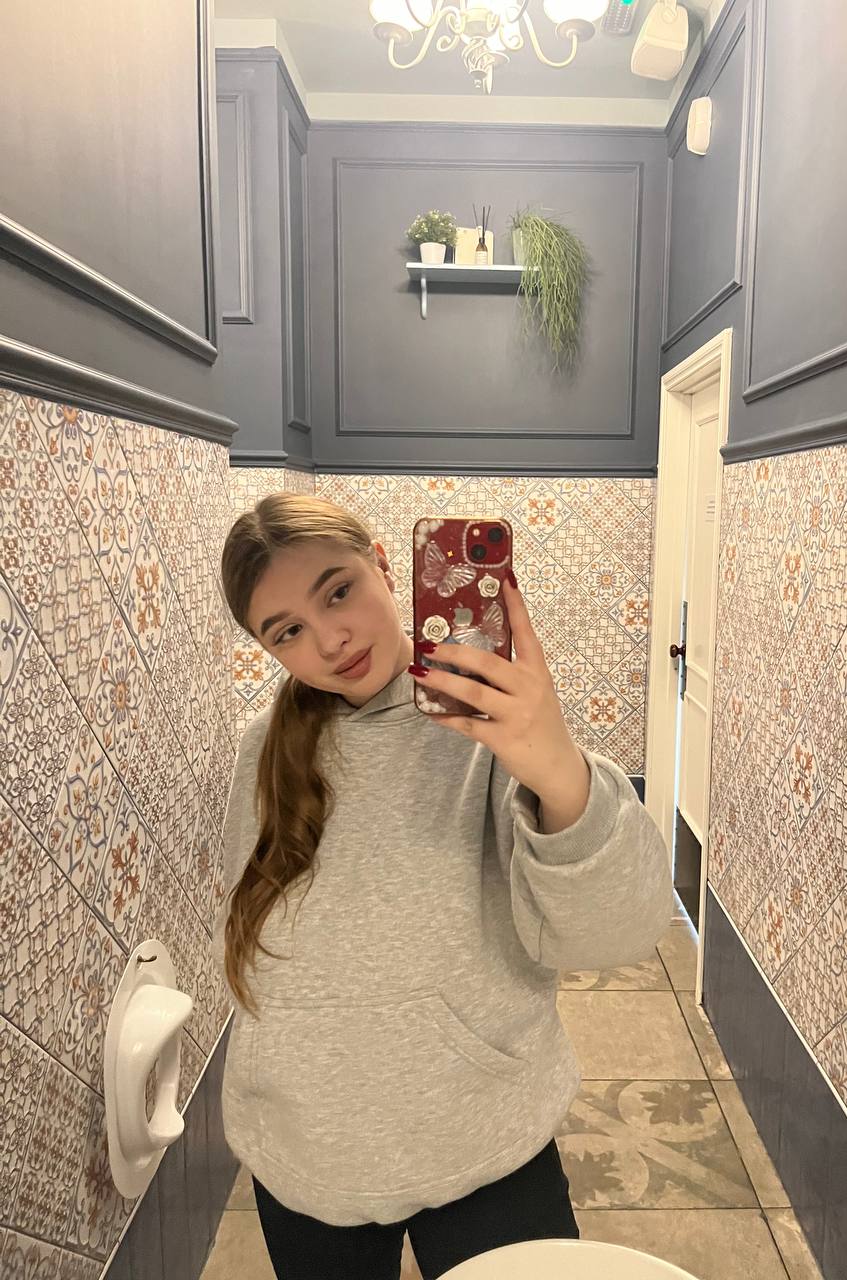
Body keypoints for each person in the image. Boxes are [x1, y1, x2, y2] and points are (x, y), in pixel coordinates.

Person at [213, 492, 672, 1280]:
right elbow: (253, 943)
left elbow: (619, 932)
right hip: (308, 1153)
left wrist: (560, 772)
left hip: (487, 1139)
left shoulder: (494, 732)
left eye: (338, 591)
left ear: (384, 566)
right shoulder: (264, 751)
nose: (330, 639)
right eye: (286, 631)